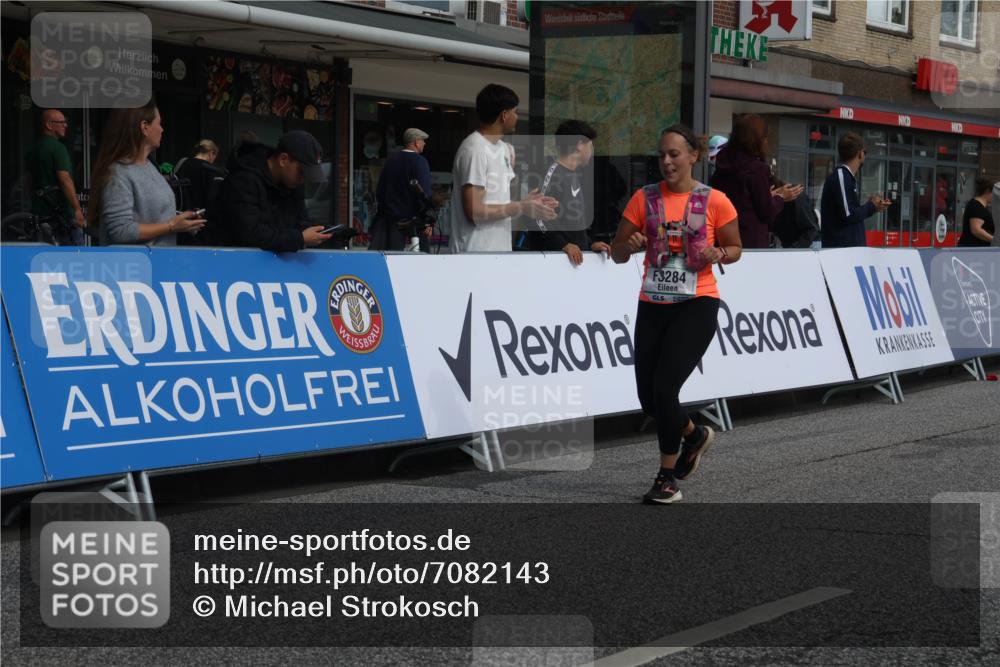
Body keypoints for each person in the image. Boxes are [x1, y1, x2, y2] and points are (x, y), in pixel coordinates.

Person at [610, 124, 742, 505]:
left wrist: (719, 254)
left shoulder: (715, 200)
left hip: (697, 303)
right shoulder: (644, 198)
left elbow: (735, 248)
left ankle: (666, 478)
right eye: (662, 155)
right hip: (652, 303)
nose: (666, 162)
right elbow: (617, 251)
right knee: (650, 400)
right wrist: (629, 246)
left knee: (666, 389)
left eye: (674, 155)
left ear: (693, 156)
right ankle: (695, 435)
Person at [449, 84, 558, 253]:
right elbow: (474, 212)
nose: (517, 116)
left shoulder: (504, 149)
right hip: (474, 254)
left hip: (499, 251)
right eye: (515, 111)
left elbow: (502, 203)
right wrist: (521, 207)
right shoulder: (474, 149)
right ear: (504, 115)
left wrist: (527, 203)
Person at [89, 100, 205, 246]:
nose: (162, 129)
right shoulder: (118, 173)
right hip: (136, 266)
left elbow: (151, 215)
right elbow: (120, 231)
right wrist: (171, 226)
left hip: (159, 263)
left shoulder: (150, 166)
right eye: (159, 123)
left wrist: (183, 220)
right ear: (144, 127)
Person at [214, 130, 331, 252]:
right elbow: (251, 234)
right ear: (283, 159)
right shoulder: (243, 181)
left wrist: (321, 231)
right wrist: (299, 238)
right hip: (234, 263)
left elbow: (301, 221)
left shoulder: (292, 184)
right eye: (302, 172)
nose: (303, 179)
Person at [710, 114, 801, 249]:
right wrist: (781, 197)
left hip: (723, 239)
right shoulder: (757, 169)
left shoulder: (722, 164)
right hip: (750, 242)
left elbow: (740, 200)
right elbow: (766, 211)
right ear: (758, 140)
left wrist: (769, 196)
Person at [527, 119, 610, 265]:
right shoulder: (552, 174)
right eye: (590, 144)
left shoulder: (573, 175)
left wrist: (589, 244)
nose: (592, 150)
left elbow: (570, 223)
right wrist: (562, 245)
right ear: (579, 145)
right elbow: (535, 218)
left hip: (575, 264)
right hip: (556, 264)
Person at [819, 131, 891, 248]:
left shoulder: (846, 177)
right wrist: (871, 206)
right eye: (865, 152)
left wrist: (873, 207)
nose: (864, 155)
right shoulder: (841, 176)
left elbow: (849, 212)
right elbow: (849, 215)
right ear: (860, 154)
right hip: (842, 252)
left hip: (849, 250)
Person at [25, 108, 86, 243]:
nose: (66, 125)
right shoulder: (58, 148)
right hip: (61, 214)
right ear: (49, 125)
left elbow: (28, 181)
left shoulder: (32, 149)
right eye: (61, 122)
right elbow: (65, 179)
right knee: (77, 253)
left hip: (39, 213)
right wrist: (76, 209)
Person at [370, 127, 433, 252]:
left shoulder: (390, 161)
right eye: (422, 141)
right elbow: (425, 194)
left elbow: (380, 192)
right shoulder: (420, 162)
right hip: (416, 223)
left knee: (394, 256)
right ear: (415, 142)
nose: (424, 144)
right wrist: (428, 220)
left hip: (393, 221)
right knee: (422, 258)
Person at [174, 139, 226, 213]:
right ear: (211, 153)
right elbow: (212, 198)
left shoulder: (182, 163)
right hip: (199, 215)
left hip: (179, 212)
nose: (214, 160)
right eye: (215, 156)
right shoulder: (210, 169)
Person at [770, 176, 819, 248]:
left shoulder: (796, 197)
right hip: (791, 245)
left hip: (807, 246)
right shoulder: (773, 202)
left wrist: (793, 249)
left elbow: (811, 230)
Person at [957, 177, 995, 247]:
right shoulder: (976, 206)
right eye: (993, 193)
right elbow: (976, 230)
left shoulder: (981, 207)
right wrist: (994, 240)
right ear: (987, 191)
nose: (995, 197)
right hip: (972, 250)